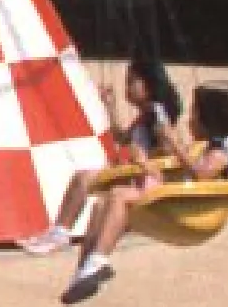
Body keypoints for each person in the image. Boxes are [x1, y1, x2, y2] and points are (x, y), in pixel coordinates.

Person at [54, 86, 228, 305]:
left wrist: (173, 145)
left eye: (194, 114)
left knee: (119, 195)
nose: (190, 120)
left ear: (209, 118)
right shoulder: (210, 146)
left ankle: (98, 260)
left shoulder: (224, 146)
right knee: (101, 205)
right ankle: (84, 271)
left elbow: (202, 174)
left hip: (195, 211)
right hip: (185, 202)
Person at [19, 57, 188, 256]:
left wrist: (145, 159)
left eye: (132, 81)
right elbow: (124, 138)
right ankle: (60, 232)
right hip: (135, 173)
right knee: (82, 179)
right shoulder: (145, 115)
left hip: (144, 178)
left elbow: (168, 143)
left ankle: (61, 233)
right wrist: (110, 107)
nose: (127, 87)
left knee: (84, 180)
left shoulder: (156, 113)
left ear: (149, 85)